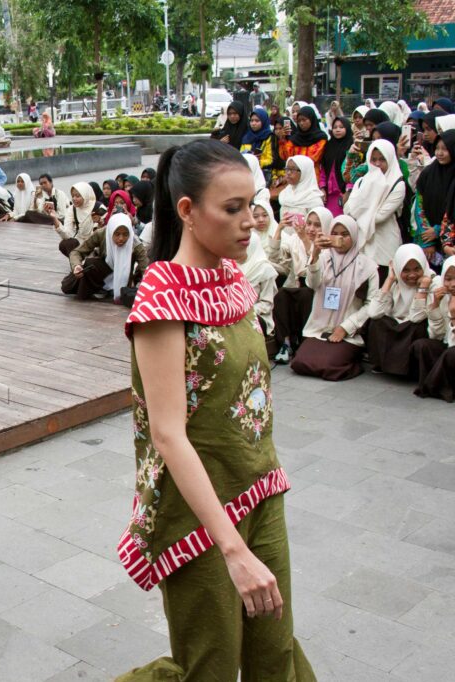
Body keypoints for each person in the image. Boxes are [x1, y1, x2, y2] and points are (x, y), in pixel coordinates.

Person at [115, 139, 313, 682]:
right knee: (210, 668)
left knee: (275, 653)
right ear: (187, 210)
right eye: (232, 208)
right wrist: (231, 548)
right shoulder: (163, 302)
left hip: (261, 490)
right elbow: (168, 434)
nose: (250, 221)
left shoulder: (233, 280)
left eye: (252, 204)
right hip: (197, 516)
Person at [290, 214, 379, 381]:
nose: (339, 238)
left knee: (330, 367)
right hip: (320, 328)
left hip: (347, 332)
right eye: (335, 233)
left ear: (354, 236)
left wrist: (346, 327)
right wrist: (315, 256)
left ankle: (354, 362)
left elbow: (371, 303)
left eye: (345, 234)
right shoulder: (324, 258)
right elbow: (312, 284)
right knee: (300, 363)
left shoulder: (367, 266)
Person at [269, 207, 330, 365]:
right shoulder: (294, 239)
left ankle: (305, 341)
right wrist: (279, 229)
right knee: (281, 295)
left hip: (318, 288)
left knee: (305, 295)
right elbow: (275, 257)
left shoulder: (327, 243)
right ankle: (286, 343)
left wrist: (305, 240)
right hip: (296, 285)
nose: (311, 228)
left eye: (317, 225)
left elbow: (317, 269)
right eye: (309, 223)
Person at [366, 244, 434, 377]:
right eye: (405, 270)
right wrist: (390, 279)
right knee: (377, 322)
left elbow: (416, 317)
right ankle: (385, 365)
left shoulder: (433, 282)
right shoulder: (395, 283)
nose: (412, 275)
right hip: (399, 326)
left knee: (417, 326)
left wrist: (423, 288)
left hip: (414, 328)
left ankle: (409, 369)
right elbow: (373, 313)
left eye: (417, 269)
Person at [344, 140, 405, 284]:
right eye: (374, 159)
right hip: (362, 244)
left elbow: (381, 216)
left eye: (382, 159)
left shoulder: (397, 184)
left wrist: (359, 213)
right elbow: (347, 209)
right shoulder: (361, 182)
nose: (377, 164)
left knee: (382, 285)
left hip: (385, 243)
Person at [66, 214, 147, 302]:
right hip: (104, 271)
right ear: (111, 232)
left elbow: (146, 268)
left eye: (125, 234)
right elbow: (77, 252)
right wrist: (76, 266)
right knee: (87, 267)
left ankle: (115, 289)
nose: (121, 238)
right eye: (117, 234)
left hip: (124, 278)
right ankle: (98, 289)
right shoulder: (101, 234)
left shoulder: (135, 244)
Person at [412, 256, 455, 401]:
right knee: (422, 345)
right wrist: (436, 305)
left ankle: (435, 386)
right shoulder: (442, 296)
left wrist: (453, 318)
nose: (452, 284)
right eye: (448, 279)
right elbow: (436, 335)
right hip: (448, 347)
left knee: (452, 353)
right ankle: (436, 384)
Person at [411, 130, 455, 269]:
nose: (439, 153)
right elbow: (419, 207)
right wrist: (427, 240)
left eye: (445, 149)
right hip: (429, 242)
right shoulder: (428, 173)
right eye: (437, 148)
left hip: (450, 241)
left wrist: (437, 230)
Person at [276, 105, 329, 183]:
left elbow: (313, 158)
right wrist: (282, 139)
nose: (301, 123)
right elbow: (285, 156)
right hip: (296, 177)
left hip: (312, 177)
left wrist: (296, 162)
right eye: (299, 121)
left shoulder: (320, 138)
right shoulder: (295, 138)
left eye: (304, 120)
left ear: (311, 119)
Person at [278, 156, 324, 231]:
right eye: (287, 169)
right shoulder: (285, 194)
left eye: (293, 170)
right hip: (284, 237)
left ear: (305, 172)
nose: (288, 173)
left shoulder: (313, 199)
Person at [52, 182, 97, 256]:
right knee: (64, 244)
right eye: (73, 196)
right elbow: (67, 234)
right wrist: (54, 218)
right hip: (80, 242)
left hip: (95, 243)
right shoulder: (72, 209)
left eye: (77, 196)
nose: (74, 199)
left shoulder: (96, 206)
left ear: (85, 195)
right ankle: (77, 260)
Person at [320, 117, 353, 216]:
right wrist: (322, 187)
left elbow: (353, 170)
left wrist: (349, 190)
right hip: (329, 194)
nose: (337, 130)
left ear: (347, 128)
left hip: (344, 192)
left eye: (341, 127)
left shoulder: (351, 146)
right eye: (335, 127)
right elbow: (323, 168)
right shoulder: (328, 146)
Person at [240, 108, 275, 182]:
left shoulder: (269, 137)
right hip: (247, 173)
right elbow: (240, 155)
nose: (253, 123)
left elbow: (271, 160)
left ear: (263, 121)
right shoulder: (247, 137)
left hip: (262, 174)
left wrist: (256, 162)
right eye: (251, 120)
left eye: (257, 121)